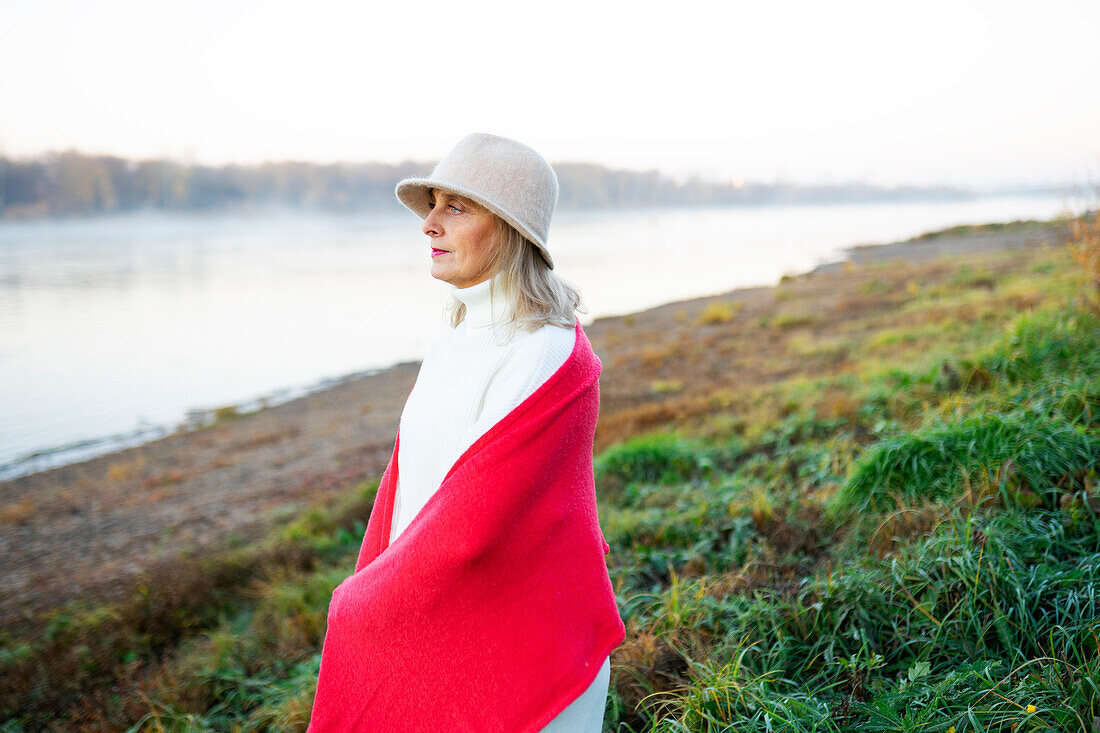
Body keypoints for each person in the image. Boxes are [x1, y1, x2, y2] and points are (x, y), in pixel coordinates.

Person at [307, 133, 625, 732]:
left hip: (527, 651)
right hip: (451, 617)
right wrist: (372, 581)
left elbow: (472, 522)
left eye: (454, 207)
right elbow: (405, 492)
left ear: (509, 228)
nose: (428, 224)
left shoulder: (549, 352)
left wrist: (357, 603)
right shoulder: (455, 337)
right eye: (431, 204)